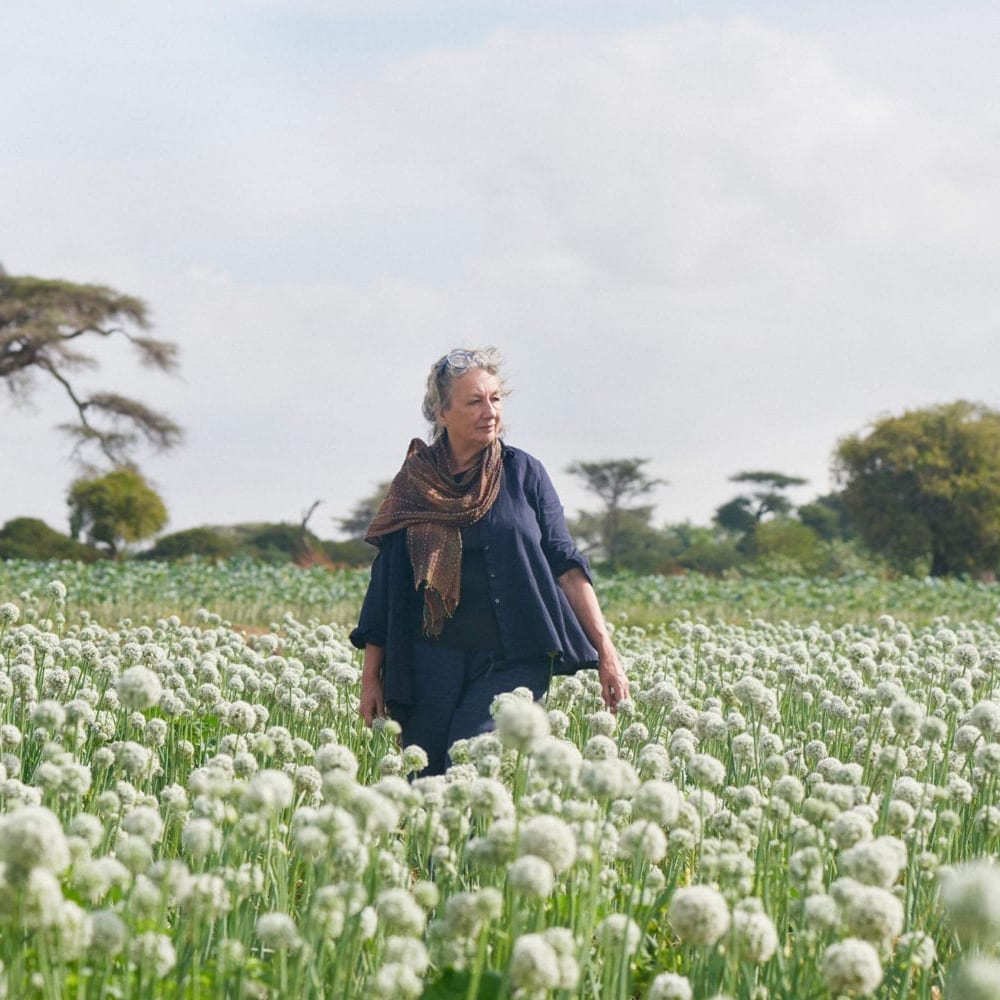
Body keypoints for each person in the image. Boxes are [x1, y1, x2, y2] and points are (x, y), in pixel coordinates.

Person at [350, 347, 629, 775]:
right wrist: (371, 678)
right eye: (474, 402)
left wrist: (606, 651)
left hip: (512, 660)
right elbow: (387, 587)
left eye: (496, 399)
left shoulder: (524, 472)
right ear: (441, 413)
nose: (490, 412)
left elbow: (566, 563)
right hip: (429, 662)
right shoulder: (415, 482)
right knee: (425, 781)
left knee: (471, 765)